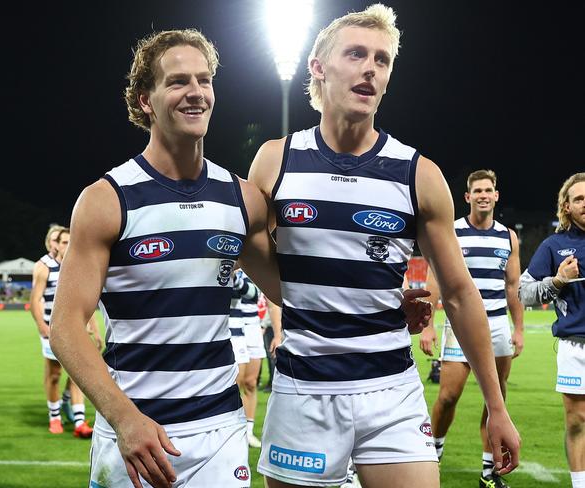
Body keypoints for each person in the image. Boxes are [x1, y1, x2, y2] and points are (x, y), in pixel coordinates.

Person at [247, 5, 520, 487]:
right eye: (355, 54)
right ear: (318, 67)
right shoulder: (275, 160)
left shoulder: (418, 174)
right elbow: (255, 259)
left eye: (383, 59)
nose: (370, 68)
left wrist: (496, 406)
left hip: (390, 390)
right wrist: (338, 296)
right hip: (302, 391)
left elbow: (458, 293)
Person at [49, 28, 283, 488]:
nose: (196, 92)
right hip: (134, 436)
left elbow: (289, 287)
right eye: (178, 82)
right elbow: (66, 326)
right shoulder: (106, 200)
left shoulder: (243, 199)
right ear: (145, 101)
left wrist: (386, 294)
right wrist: (124, 418)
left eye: (204, 80)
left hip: (220, 430)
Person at [419, 169, 524, 488]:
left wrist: (517, 328)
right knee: (449, 396)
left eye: (488, 189)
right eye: (476, 190)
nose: (482, 194)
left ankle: (489, 472)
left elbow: (513, 285)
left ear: (496, 195)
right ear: (467, 197)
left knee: (497, 400)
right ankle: (432, 457)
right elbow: (435, 276)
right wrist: (428, 326)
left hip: (496, 324)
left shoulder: (508, 236)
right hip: (460, 324)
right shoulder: (452, 230)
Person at [519, 172, 585, 488]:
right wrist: (558, 280)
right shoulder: (554, 245)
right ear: (567, 206)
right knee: (577, 422)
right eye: (579, 198)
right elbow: (524, 293)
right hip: (575, 347)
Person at [30, 227, 98, 438]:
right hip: (52, 329)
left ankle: (79, 421)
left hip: (77, 329)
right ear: (55, 244)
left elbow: (85, 302)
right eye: (64, 242)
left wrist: (95, 331)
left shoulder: (79, 265)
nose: (68, 246)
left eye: (71, 242)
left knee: (79, 374)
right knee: (54, 375)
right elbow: (34, 300)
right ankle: (55, 417)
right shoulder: (44, 267)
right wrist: (42, 327)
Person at [229, 269, 265, 448]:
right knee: (235, 384)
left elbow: (254, 295)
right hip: (233, 328)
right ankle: (235, 432)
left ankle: (249, 432)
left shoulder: (250, 266)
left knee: (251, 383)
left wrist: (234, 277)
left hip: (252, 328)